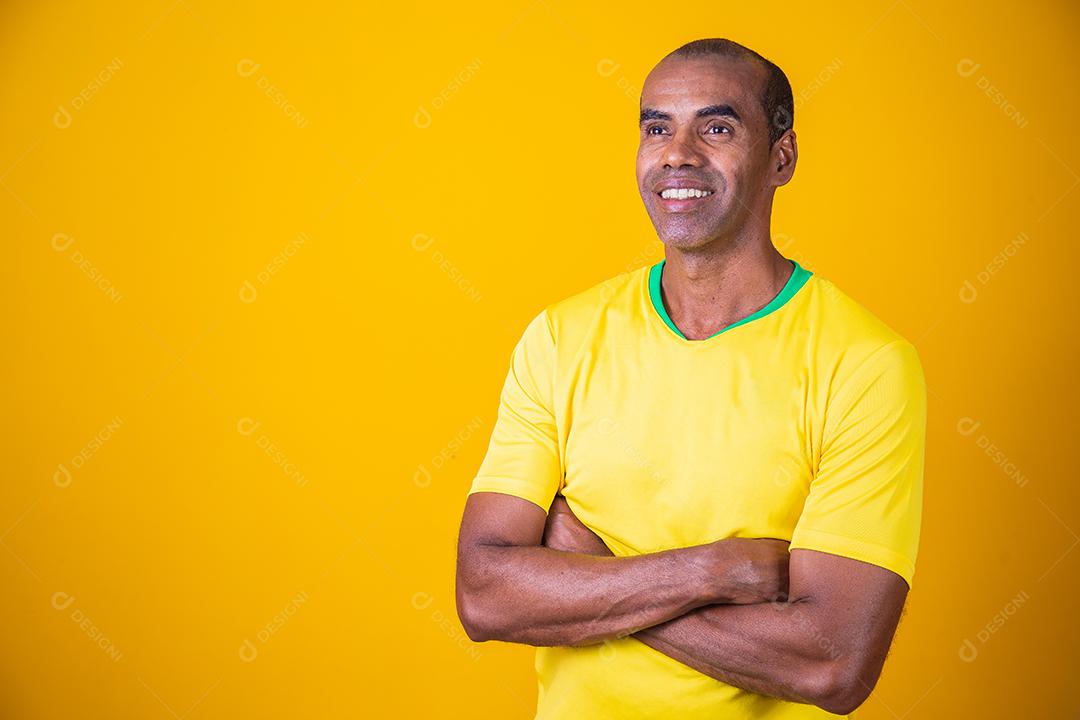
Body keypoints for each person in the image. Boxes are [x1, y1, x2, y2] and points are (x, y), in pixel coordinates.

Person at [455, 37, 927, 719]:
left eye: (716, 126)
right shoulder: (559, 338)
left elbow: (832, 662)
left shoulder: (866, 366)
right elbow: (484, 593)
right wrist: (714, 572)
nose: (677, 153)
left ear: (781, 156)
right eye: (656, 127)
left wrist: (593, 580)